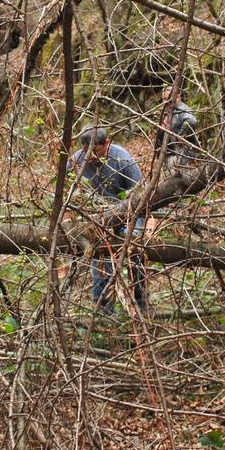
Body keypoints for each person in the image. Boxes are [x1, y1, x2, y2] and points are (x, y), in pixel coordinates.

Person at [70, 123, 150, 315]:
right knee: (100, 256)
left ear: (106, 143)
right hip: (97, 216)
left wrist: (146, 225)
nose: (90, 156)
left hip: (128, 212)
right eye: (86, 150)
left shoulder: (122, 158)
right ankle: (104, 311)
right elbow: (67, 194)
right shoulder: (76, 161)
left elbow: (141, 195)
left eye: (95, 151)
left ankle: (142, 305)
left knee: (135, 250)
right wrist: (67, 224)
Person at [158, 85, 199, 173]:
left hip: (183, 156)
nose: (166, 101)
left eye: (169, 98)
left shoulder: (182, 109)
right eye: (164, 99)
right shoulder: (169, 109)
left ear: (178, 97)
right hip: (170, 154)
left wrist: (181, 135)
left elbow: (191, 121)